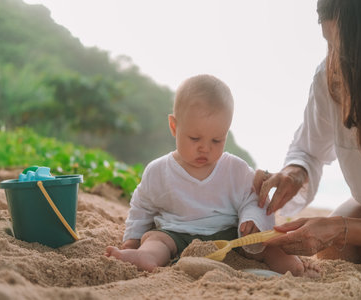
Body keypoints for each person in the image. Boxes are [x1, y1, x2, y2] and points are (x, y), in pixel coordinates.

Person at [253, 0, 361, 289]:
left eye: (347, 52)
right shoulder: (329, 75)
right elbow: (308, 150)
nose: (336, 64)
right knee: (333, 251)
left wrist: (341, 228)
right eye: (329, 45)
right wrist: (294, 173)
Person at [105, 74, 318, 276]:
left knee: (268, 247)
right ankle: (144, 257)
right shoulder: (158, 171)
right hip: (176, 234)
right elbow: (142, 207)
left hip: (229, 235)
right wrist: (132, 239)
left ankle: (294, 269)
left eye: (217, 140)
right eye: (195, 138)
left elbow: (252, 199)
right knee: (155, 241)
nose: (205, 148)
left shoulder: (235, 169)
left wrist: (251, 219)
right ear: (174, 126)